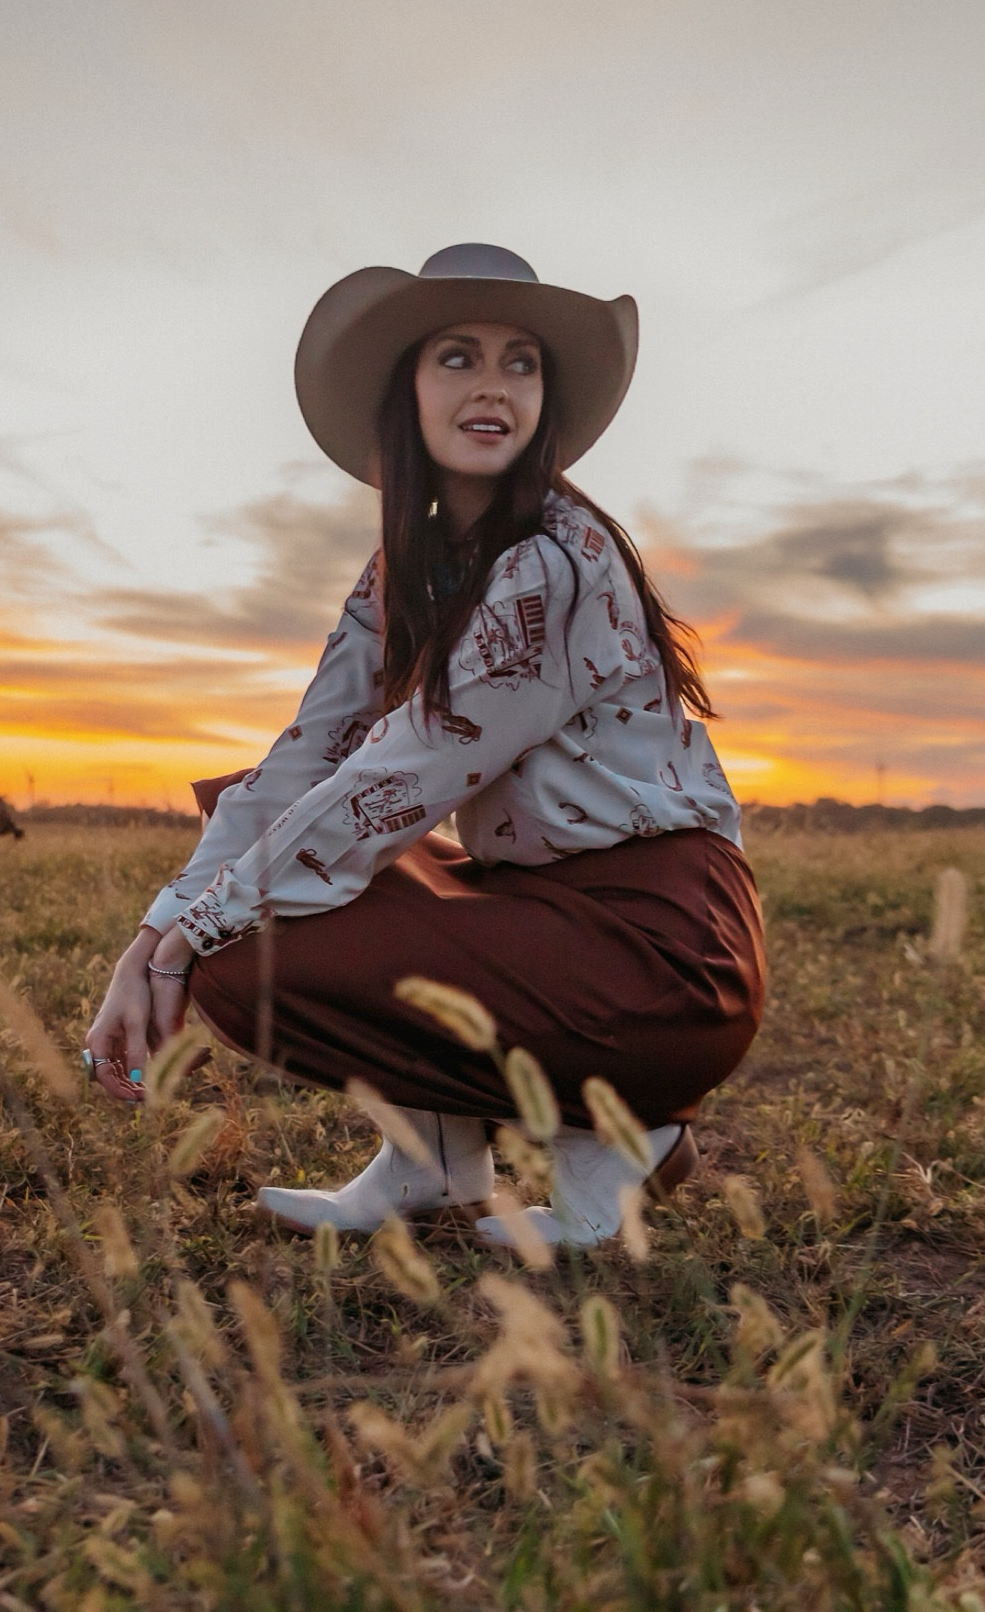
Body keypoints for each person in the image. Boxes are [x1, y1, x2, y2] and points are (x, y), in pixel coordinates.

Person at [85, 243, 765, 1249]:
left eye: (520, 361)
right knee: (252, 821)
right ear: (405, 387)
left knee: (241, 950)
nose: (492, 385)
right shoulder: (404, 567)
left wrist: (194, 935)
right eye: (457, 356)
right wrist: (150, 938)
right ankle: (436, 1156)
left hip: (658, 947)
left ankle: (621, 1122)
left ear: (544, 397)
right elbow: (306, 757)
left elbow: (402, 774)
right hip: (541, 910)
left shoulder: (553, 564)